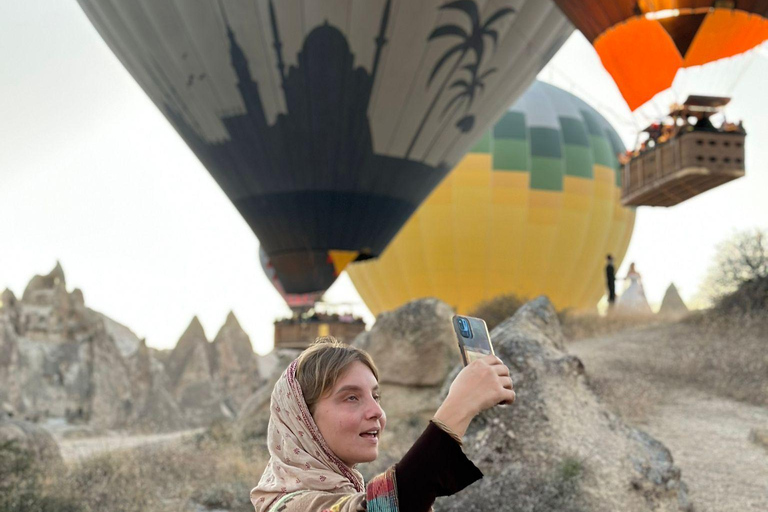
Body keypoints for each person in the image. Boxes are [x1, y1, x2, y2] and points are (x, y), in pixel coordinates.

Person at [250, 337, 516, 512]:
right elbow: (385, 507)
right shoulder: (292, 507)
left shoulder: (341, 493)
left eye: (376, 396)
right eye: (351, 397)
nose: (376, 411)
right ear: (302, 421)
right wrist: (459, 406)